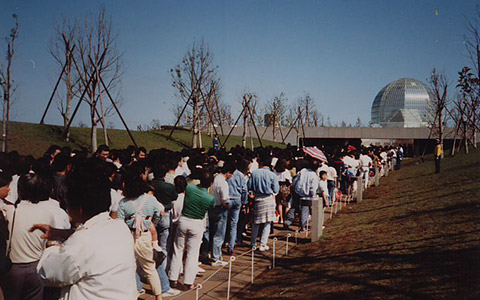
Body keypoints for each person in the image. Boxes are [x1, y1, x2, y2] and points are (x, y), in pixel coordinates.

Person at [33, 158, 137, 300]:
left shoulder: (80, 244)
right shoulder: (120, 227)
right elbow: (95, 239)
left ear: (79, 209)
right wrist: (60, 232)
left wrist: (52, 246)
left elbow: (48, 274)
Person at [1, 173, 60, 300]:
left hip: (13, 268)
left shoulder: (9, 211)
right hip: (37, 269)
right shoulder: (48, 214)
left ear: (19, 191)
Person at [117, 164, 164, 300]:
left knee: (129, 266)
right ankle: (158, 296)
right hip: (145, 235)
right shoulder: (151, 199)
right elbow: (158, 214)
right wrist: (150, 224)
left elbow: (120, 222)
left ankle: (133, 293)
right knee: (150, 267)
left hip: (129, 235)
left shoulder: (123, 203)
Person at [169, 169, 215, 290]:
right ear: (211, 183)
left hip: (184, 221)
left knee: (177, 250)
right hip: (197, 223)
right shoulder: (210, 198)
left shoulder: (189, 188)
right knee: (192, 253)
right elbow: (211, 207)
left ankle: (173, 278)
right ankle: (188, 282)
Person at [247, 153, 279, 251]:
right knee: (267, 223)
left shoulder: (255, 173)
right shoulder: (272, 175)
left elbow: (249, 186)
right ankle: (263, 244)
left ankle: (253, 243)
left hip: (258, 199)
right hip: (268, 199)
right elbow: (276, 189)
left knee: (256, 223)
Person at [208, 163, 234, 266]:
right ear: (228, 173)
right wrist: (228, 206)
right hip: (220, 208)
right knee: (219, 234)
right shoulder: (223, 183)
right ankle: (216, 257)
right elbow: (225, 199)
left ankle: (211, 253)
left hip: (211, 207)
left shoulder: (214, 178)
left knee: (211, 232)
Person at [226, 158, 249, 254]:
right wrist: (244, 202)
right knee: (233, 223)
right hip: (237, 199)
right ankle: (231, 245)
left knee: (225, 222)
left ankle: (225, 242)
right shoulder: (240, 175)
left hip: (227, 199)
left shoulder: (227, 175)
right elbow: (244, 190)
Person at [274, 158, 292, 224]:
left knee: (279, 204)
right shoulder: (286, 171)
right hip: (285, 187)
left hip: (277, 187)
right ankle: (285, 218)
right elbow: (290, 180)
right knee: (287, 204)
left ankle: (281, 218)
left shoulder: (275, 171)